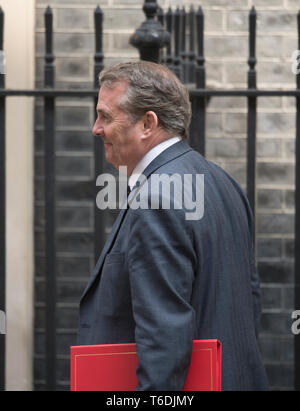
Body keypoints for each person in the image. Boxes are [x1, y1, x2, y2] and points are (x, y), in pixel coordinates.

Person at [77, 61, 269, 391]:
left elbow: (164, 340)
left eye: (105, 116)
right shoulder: (224, 182)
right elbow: (248, 304)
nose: (96, 128)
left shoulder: (156, 197)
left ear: (147, 123)